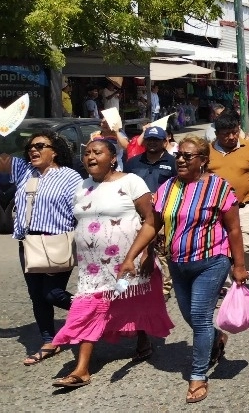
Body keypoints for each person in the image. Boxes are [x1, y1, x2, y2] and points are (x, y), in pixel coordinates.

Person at [124, 136, 247, 404]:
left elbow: (234, 229)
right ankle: (216, 339)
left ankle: (198, 375)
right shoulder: (167, 188)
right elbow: (151, 225)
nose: (180, 159)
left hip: (212, 260)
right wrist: (131, 256)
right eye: (178, 154)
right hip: (178, 263)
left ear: (203, 161)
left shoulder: (220, 188)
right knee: (192, 317)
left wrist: (239, 265)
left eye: (187, 156)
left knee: (200, 317)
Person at [49, 139, 174, 388]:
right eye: (86, 153)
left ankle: (142, 340)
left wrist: (147, 253)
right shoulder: (82, 187)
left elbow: (151, 219)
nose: (90, 157)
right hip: (92, 268)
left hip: (128, 260)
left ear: (113, 158)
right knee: (89, 308)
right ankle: (82, 369)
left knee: (133, 301)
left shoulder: (131, 182)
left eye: (97, 152)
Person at [0, 132, 80, 366]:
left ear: (54, 151)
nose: (33, 150)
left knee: (52, 293)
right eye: (30, 147)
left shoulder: (70, 176)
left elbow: (81, 209)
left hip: (57, 241)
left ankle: (93, 311)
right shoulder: (24, 171)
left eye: (40, 146)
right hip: (28, 243)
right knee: (37, 296)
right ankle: (48, 340)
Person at [208, 112, 249, 298]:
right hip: (216, 209)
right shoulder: (208, 151)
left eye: (234, 132)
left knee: (245, 246)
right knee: (220, 247)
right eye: (226, 133)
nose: (231, 137)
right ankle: (228, 284)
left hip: (243, 206)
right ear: (216, 134)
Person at [124, 126, 177, 300]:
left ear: (165, 141)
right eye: (149, 139)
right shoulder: (132, 163)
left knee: (161, 251)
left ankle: (164, 288)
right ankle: (136, 283)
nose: (152, 143)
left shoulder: (173, 163)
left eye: (156, 140)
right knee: (136, 249)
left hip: (162, 214)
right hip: (135, 214)